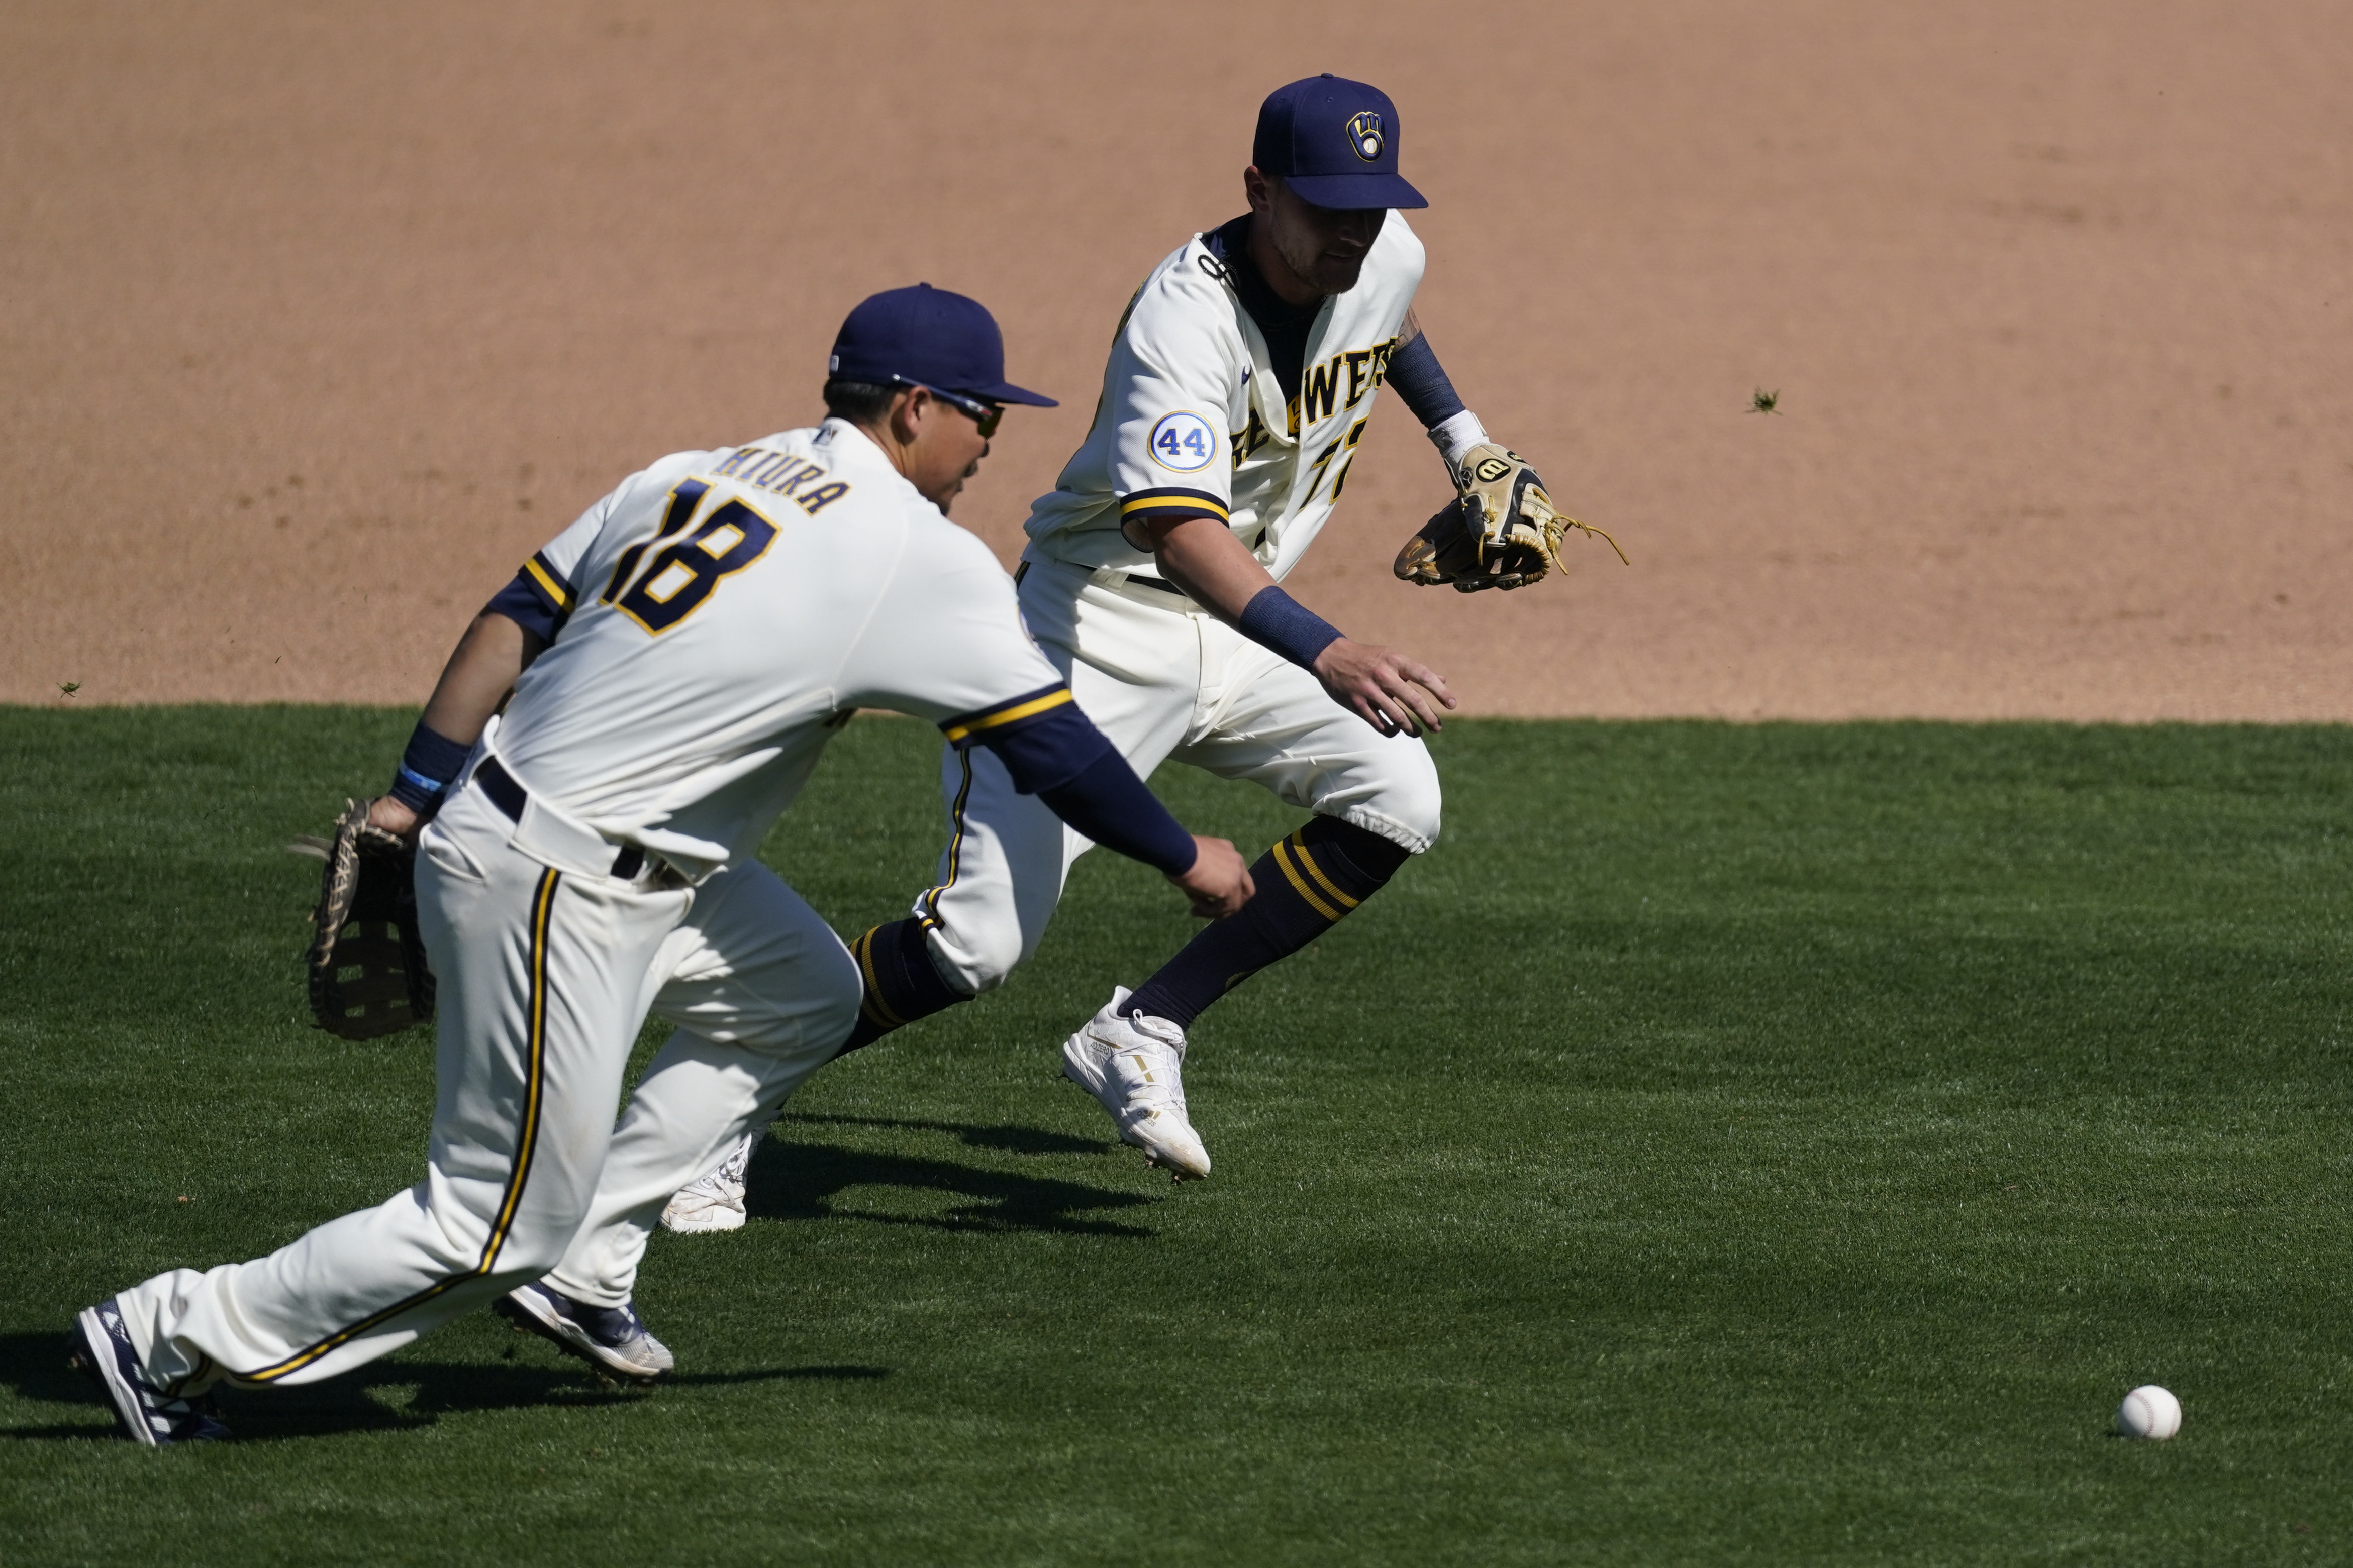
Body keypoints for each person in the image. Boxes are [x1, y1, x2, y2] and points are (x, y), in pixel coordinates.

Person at [66, 284, 1254, 1443]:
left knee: (804, 992)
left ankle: (589, 1265)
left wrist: (410, 796)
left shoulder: (692, 471)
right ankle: (172, 1332)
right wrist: (1180, 851)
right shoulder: (911, 551)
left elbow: (511, 617)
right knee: (491, 1225)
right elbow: (1048, 744)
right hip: (558, 882)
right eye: (980, 414)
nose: (991, 439)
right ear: (910, 408)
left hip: (533, 829)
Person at [664, 72, 1550, 1226]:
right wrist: (1326, 651)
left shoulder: (1376, 254)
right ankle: (724, 1106)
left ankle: (1144, 1026)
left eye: (1370, 206)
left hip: (1239, 623)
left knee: (1397, 795)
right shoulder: (1182, 323)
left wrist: (1466, 445)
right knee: (977, 944)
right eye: (1326, 206)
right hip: (1094, 632)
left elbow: (1391, 320)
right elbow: (1177, 532)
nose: (1352, 231)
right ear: (1257, 190)